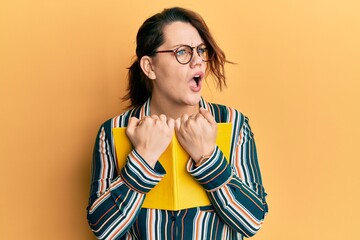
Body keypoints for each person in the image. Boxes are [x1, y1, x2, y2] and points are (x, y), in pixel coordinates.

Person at [87, 7, 268, 240]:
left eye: (201, 50)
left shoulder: (234, 124)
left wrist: (208, 157)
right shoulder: (113, 132)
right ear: (149, 67)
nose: (197, 61)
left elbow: (252, 221)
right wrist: (142, 159)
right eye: (182, 52)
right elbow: (104, 231)